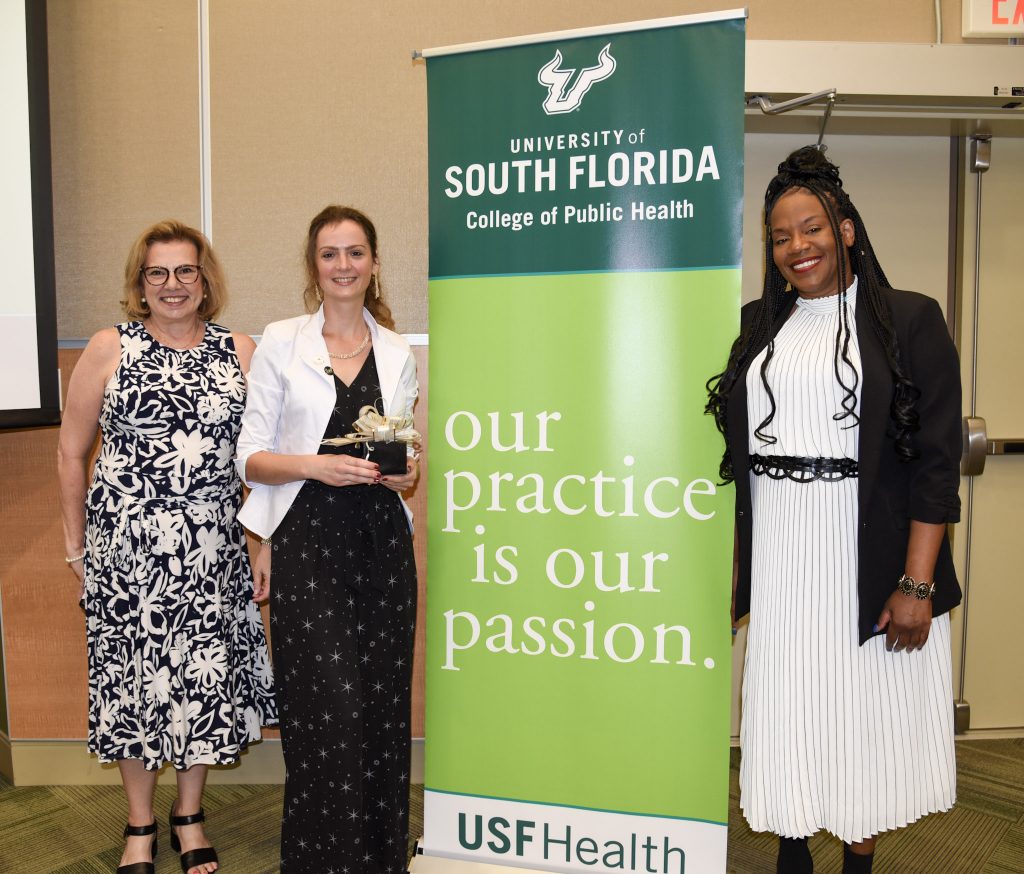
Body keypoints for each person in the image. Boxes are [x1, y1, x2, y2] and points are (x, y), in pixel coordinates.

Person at [706, 147, 961, 874]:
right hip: (786, 554)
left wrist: (917, 584)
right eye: (781, 236)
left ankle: (857, 859)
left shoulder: (909, 319)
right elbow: (743, 458)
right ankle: (792, 850)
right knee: (789, 705)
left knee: (861, 716)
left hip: (867, 554)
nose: (797, 248)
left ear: (846, 229)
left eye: (811, 228)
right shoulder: (759, 325)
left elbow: (936, 467)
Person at [57, 220, 277, 874]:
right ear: (140, 284)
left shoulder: (239, 350)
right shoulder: (107, 347)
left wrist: (260, 541)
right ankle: (138, 824)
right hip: (126, 554)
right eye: (158, 273)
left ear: (205, 280)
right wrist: (77, 551)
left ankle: (188, 817)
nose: (173, 284)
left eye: (185, 271)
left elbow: (257, 460)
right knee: (131, 685)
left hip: (212, 550)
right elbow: (71, 454)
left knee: (202, 684)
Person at [235, 205, 419, 872]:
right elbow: (249, 457)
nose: (344, 266)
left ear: (373, 264)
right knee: (325, 711)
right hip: (308, 541)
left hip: (381, 545)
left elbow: (398, 453)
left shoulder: (398, 352)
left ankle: (377, 859)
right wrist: (316, 465)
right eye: (330, 254)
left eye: (355, 253)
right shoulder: (281, 342)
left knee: (381, 707)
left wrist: (406, 477)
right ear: (313, 267)